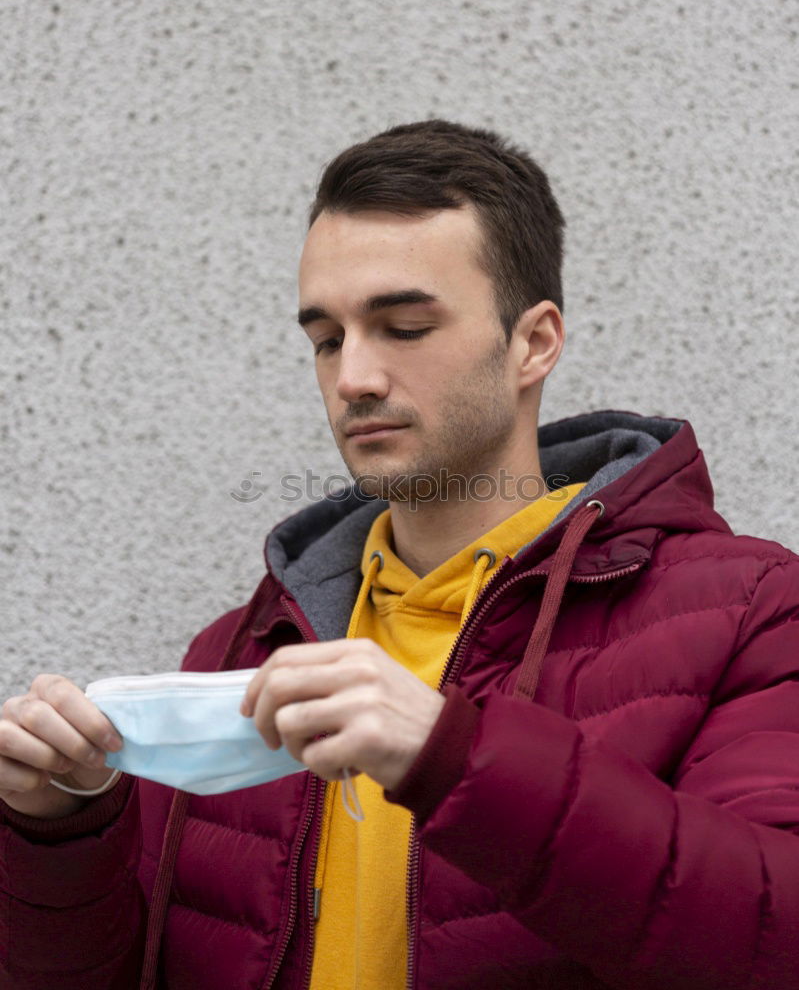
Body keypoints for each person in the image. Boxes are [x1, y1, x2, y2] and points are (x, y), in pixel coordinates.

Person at [2, 119, 799, 990]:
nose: (353, 378)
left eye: (405, 327)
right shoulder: (245, 647)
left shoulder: (749, 609)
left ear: (533, 343)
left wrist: (454, 755)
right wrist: (58, 829)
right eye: (326, 338)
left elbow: (771, 936)